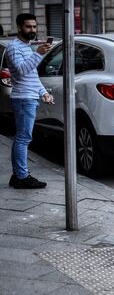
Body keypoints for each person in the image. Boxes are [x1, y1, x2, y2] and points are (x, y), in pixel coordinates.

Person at [6, 13, 54, 189]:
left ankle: (17, 175)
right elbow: (20, 71)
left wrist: (44, 93)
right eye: (28, 27)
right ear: (19, 27)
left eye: (34, 27)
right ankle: (22, 177)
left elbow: (32, 77)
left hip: (30, 97)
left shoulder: (28, 47)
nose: (32, 30)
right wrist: (39, 54)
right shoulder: (14, 47)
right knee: (23, 138)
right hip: (23, 98)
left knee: (22, 138)